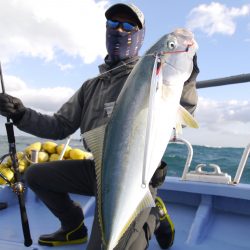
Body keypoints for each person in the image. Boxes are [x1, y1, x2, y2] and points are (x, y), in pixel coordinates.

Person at [0, 3, 199, 249]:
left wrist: (187, 77)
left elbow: (182, 108)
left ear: (139, 35)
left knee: (107, 245)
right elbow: (60, 125)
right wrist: (21, 114)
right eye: (113, 24)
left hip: (135, 176)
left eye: (128, 26)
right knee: (35, 175)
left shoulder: (150, 76)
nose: (119, 30)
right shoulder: (91, 86)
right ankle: (73, 226)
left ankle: (151, 213)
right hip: (98, 169)